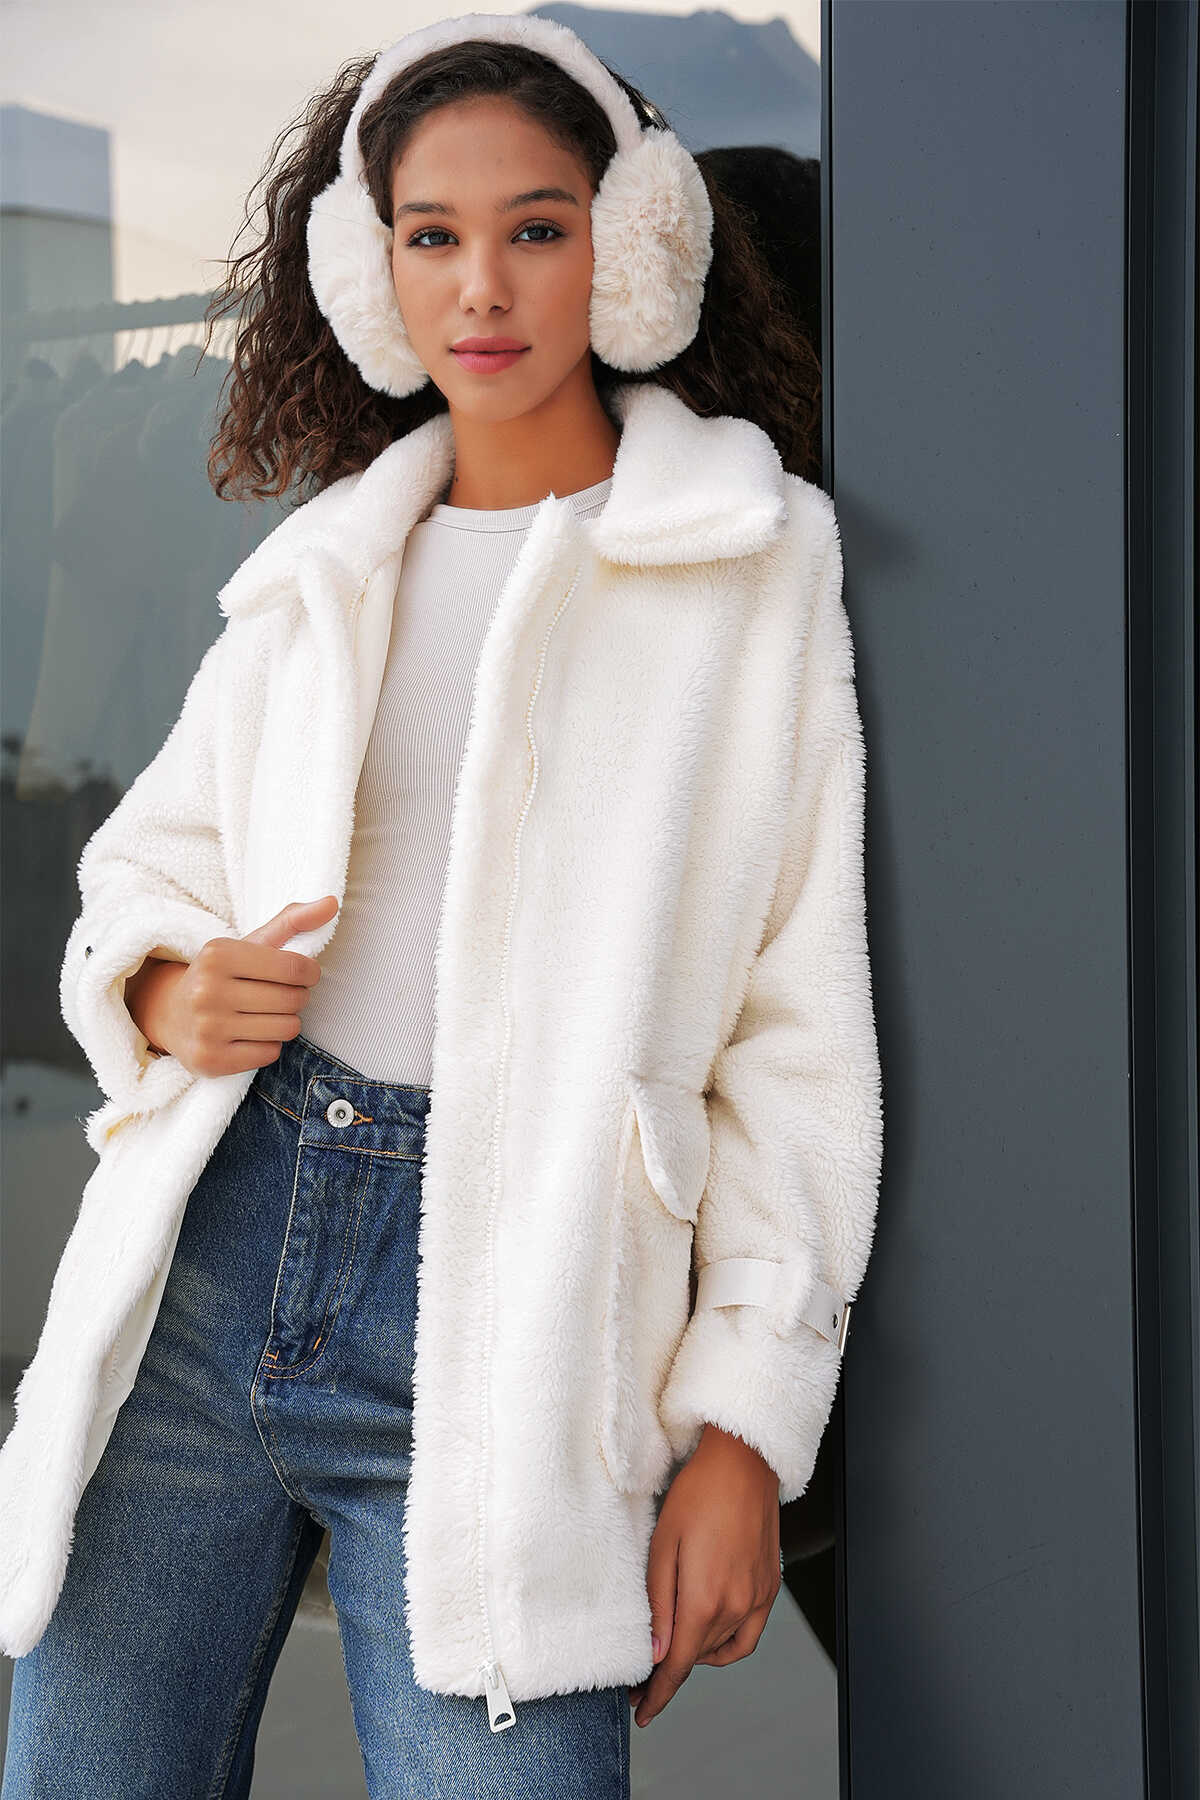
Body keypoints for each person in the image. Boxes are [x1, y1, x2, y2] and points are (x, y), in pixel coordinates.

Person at [0, 14, 883, 1797]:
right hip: (211, 1268)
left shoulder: (750, 566)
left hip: (519, 1310)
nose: (482, 287)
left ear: (631, 247)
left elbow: (801, 1042)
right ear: (371, 268)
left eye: (537, 229)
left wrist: (744, 1431)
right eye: (432, 235)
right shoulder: (326, 563)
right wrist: (163, 986)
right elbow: (142, 869)